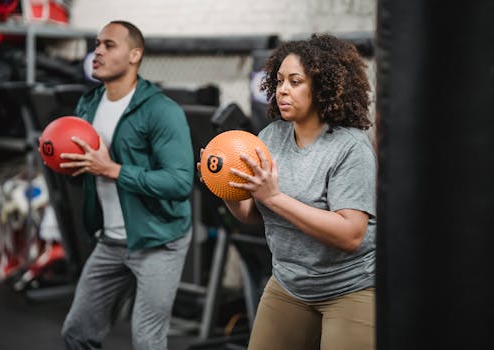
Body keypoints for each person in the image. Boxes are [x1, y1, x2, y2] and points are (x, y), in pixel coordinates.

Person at [200, 34, 376, 350]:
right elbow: (251, 215)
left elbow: (351, 234)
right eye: (279, 80)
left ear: (323, 88)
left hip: (350, 288)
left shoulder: (350, 148)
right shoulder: (270, 137)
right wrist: (223, 184)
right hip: (290, 283)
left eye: (295, 82)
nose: (282, 90)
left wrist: (275, 198)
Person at [59, 20, 194, 350]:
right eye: (96, 44)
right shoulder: (88, 106)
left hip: (159, 241)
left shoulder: (162, 111)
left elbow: (180, 182)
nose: (98, 51)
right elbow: (83, 177)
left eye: (109, 45)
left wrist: (114, 170)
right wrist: (60, 160)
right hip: (110, 241)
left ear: (135, 54)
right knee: (76, 333)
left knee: (147, 341)